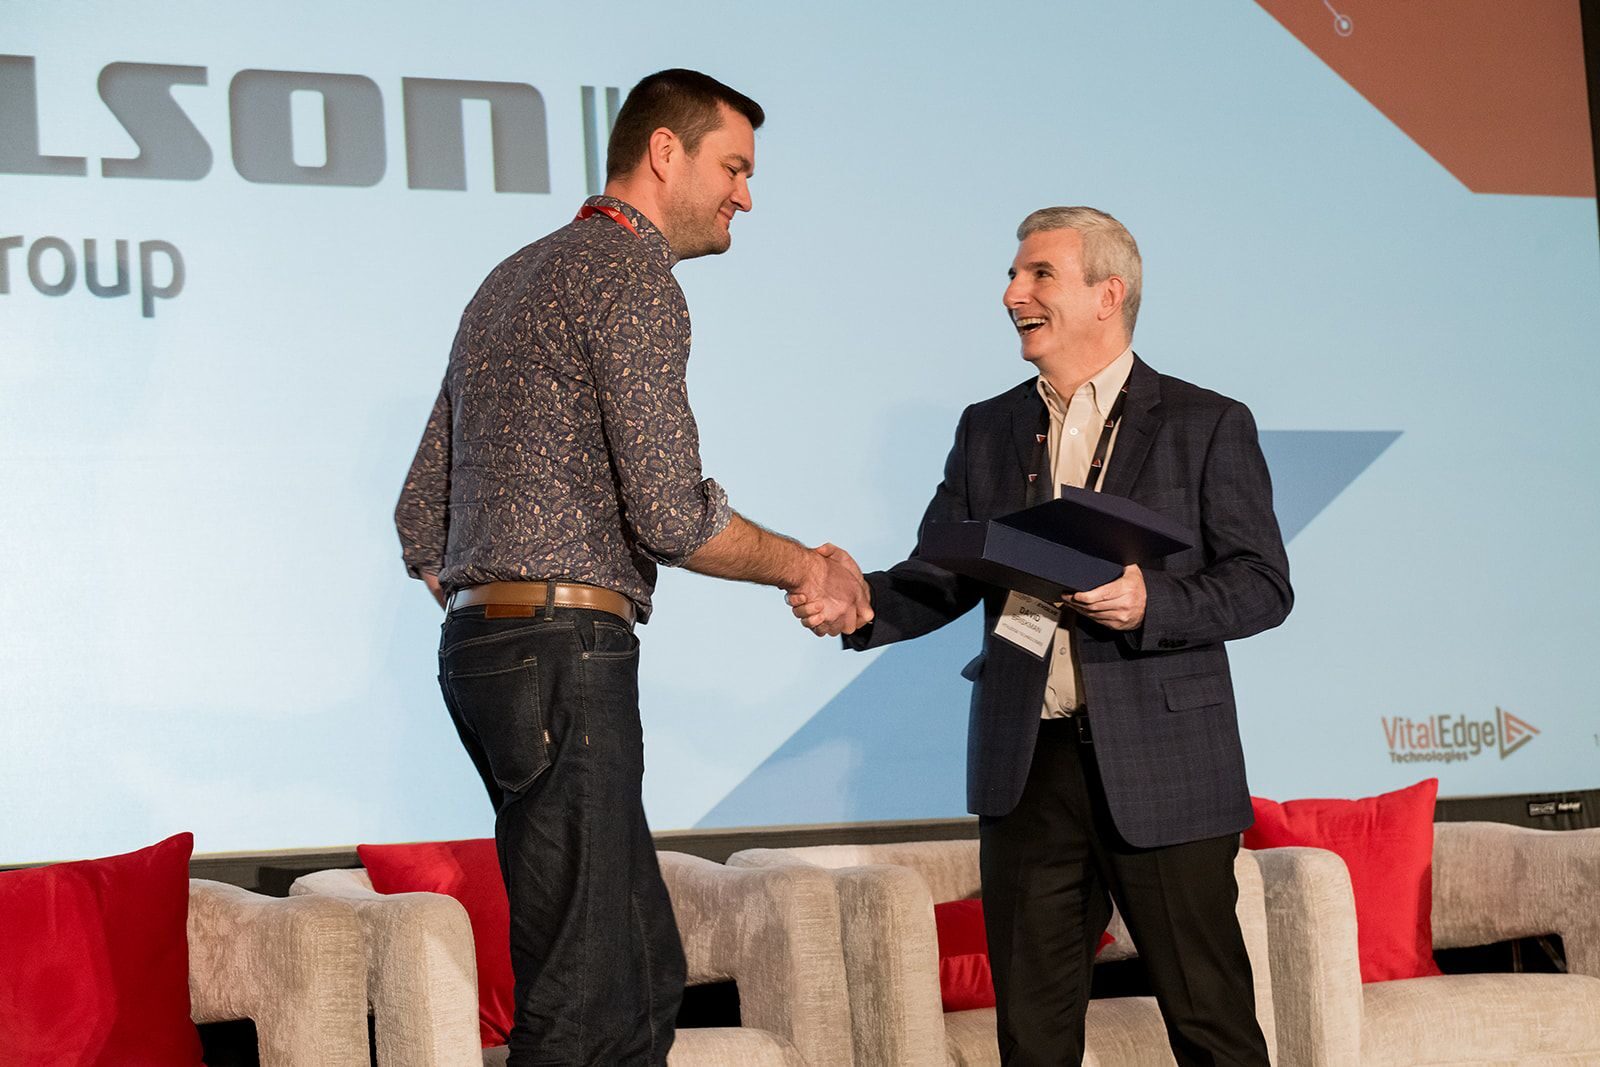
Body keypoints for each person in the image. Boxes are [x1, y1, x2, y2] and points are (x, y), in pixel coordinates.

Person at [395, 69, 871, 1067]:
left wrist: (496, 594)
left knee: (643, 969)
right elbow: (668, 514)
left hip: (488, 656)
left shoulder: (511, 275)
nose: (746, 194)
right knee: (578, 999)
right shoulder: (629, 274)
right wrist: (802, 564)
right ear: (665, 153)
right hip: (564, 655)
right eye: (733, 167)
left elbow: (417, 514)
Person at [794, 206, 1292, 1066]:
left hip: (1167, 763)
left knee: (1212, 1024)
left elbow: (1262, 584)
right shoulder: (989, 427)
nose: (1011, 292)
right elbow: (946, 569)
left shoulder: (1206, 423)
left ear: (1109, 294)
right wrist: (864, 604)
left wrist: (1151, 604)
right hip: (1028, 764)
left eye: (1038, 275)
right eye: (1014, 274)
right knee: (1032, 1035)